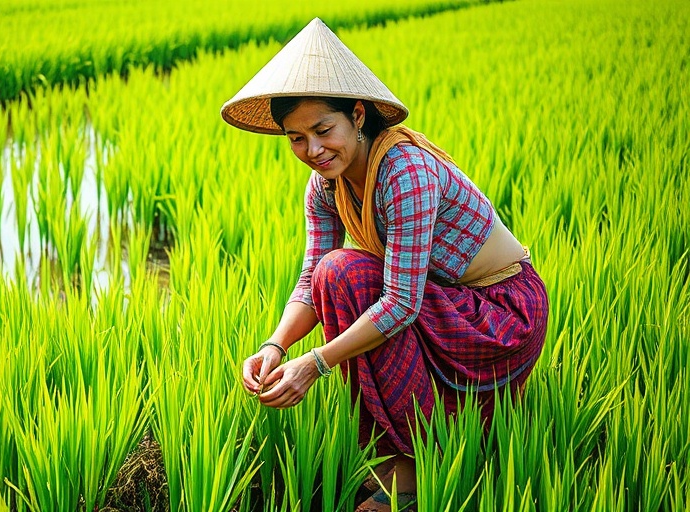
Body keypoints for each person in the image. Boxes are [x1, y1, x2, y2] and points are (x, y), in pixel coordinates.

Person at [223, 18, 549, 512]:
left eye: (322, 130)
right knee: (336, 274)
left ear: (357, 115)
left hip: (499, 312)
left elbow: (400, 303)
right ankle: (404, 456)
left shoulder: (405, 172)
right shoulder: (326, 187)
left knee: (346, 274)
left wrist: (315, 364)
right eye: (295, 138)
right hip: (444, 303)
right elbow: (312, 280)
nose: (312, 151)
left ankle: (418, 468)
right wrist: (275, 344)